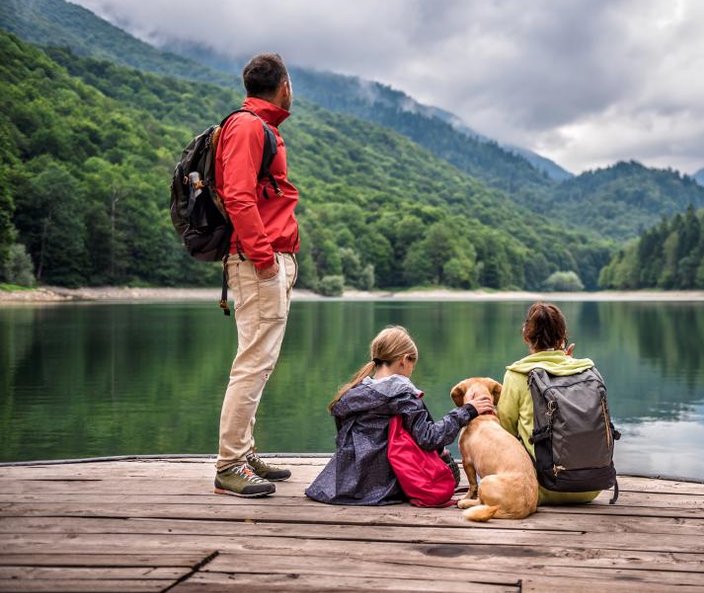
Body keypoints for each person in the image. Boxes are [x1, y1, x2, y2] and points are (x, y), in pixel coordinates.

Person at [213, 53, 300, 498]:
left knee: (258, 364)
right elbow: (238, 197)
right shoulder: (248, 127)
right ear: (283, 85)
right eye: (291, 82)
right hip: (257, 263)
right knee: (252, 365)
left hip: (263, 262)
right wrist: (265, 259)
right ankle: (229, 465)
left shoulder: (261, 127)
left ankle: (243, 454)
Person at [306, 326, 494, 505]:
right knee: (448, 468)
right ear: (404, 360)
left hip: (344, 481)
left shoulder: (352, 394)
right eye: (413, 363)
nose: (412, 371)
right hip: (384, 485)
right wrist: (467, 410)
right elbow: (430, 438)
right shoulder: (402, 395)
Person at [496, 302, 601, 505]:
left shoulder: (517, 374)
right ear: (563, 336)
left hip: (540, 487)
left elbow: (505, 432)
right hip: (591, 487)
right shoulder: (586, 370)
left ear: (526, 335)